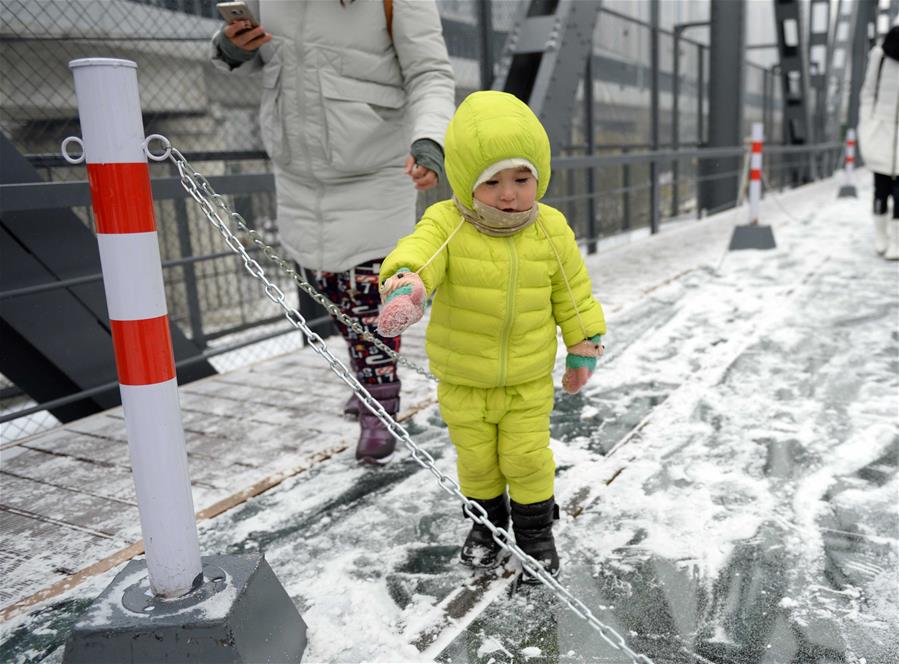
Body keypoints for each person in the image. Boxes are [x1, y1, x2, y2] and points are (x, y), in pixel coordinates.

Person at [209, 0, 455, 463]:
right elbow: (250, 56)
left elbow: (430, 74)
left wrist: (430, 139)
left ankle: (380, 403)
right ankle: (367, 380)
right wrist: (231, 48)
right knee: (329, 291)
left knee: (368, 293)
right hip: (298, 172)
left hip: (375, 166)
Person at [375, 91, 606, 581]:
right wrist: (407, 286)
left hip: (526, 377)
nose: (509, 194)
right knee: (477, 462)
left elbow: (574, 292)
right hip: (463, 378)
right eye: (492, 182)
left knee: (526, 459)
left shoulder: (549, 227)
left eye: (522, 179)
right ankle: (486, 526)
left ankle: (536, 535)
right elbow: (421, 253)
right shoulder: (447, 222)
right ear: (464, 180)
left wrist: (583, 345)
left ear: (538, 175)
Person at [858, 23, 899, 260]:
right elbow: (868, 92)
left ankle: (896, 241)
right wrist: (867, 124)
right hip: (880, 131)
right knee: (881, 190)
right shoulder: (880, 55)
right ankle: (881, 235)